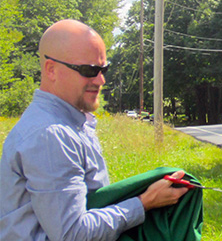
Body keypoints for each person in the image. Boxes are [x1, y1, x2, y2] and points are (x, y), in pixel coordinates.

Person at [0, 19, 190, 240]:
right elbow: (73, 233)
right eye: (89, 70)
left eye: (103, 68)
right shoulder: (51, 135)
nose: (101, 79)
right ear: (51, 70)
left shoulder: (69, 123)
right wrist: (144, 203)